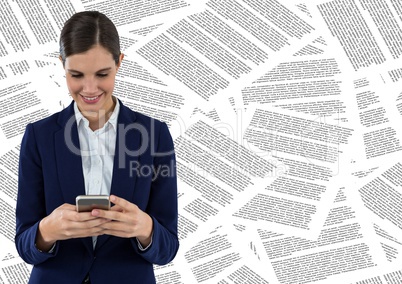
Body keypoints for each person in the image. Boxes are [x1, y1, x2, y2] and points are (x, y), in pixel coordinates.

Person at [15, 11, 179, 284]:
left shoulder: (154, 135)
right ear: (61, 65)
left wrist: (145, 228)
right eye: (76, 75)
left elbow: (168, 248)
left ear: (119, 63)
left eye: (102, 74)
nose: (89, 88)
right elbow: (24, 243)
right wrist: (47, 231)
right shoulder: (39, 136)